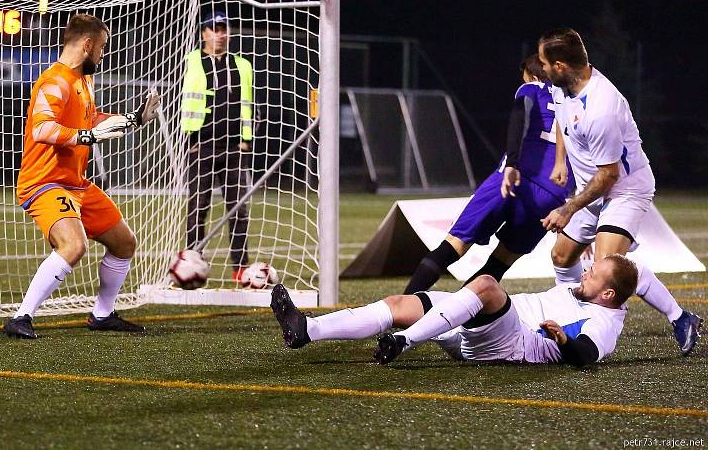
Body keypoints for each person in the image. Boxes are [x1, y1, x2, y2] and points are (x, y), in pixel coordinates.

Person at [537, 28, 702, 355]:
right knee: (561, 256)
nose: (540, 69)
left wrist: (568, 208)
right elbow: (562, 119)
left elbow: (609, 175)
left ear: (559, 66)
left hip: (623, 189)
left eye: (544, 63)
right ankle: (573, 313)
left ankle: (680, 317)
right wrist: (560, 161)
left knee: (608, 267)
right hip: (592, 188)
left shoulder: (602, 107)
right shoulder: (563, 87)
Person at [5, 13, 160, 339]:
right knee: (73, 245)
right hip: (45, 182)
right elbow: (43, 129)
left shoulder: (83, 82)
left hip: (76, 182)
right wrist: (87, 137)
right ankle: (21, 317)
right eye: (102, 47)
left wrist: (134, 119)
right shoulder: (54, 81)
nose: (103, 55)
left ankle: (102, 315)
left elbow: (92, 120)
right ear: (87, 44)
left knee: (124, 243)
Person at [272, 254, 638, 367]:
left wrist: (562, 340)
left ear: (607, 293)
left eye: (594, 275)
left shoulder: (604, 320)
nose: (585, 272)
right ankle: (308, 331)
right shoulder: (584, 292)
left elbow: (587, 355)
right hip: (483, 329)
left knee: (486, 286)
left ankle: (403, 342)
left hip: (512, 344)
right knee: (404, 302)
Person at [403, 54, 573, 294]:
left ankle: (401, 308)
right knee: (500, 262)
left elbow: (519, 117)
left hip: (514, 178)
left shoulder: (533, 88)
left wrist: (513, 162)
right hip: (552, 194)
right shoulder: (576, 101)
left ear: (535, 76)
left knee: (454, 245)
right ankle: (454, 317)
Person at [180, 10, 254, 280]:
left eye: (223, 29)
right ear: (204, 34)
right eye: (214, 29)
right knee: (198, 207)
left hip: (235, 148)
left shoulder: (242, 65)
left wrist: (246, 141)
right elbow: (187, 102)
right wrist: (192, 140)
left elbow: (247, 104)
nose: (219, 34)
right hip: (203, 146)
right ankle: (192, 260)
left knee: (238, 208)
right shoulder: (192, 61)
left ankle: (240, 267)